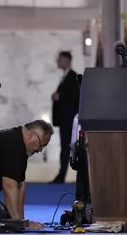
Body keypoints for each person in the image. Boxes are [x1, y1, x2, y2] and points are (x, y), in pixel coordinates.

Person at [50, 51, 79, 183]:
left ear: (67, 61)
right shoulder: (66, 76)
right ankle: (61, 174)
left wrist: (60, 97)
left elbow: (76, 97)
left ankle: (61, 175)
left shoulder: (72, 77)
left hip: (68, 119)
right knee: (64, 147)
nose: (57, 62)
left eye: (60, 59)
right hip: (64, 120)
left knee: (66, 147)